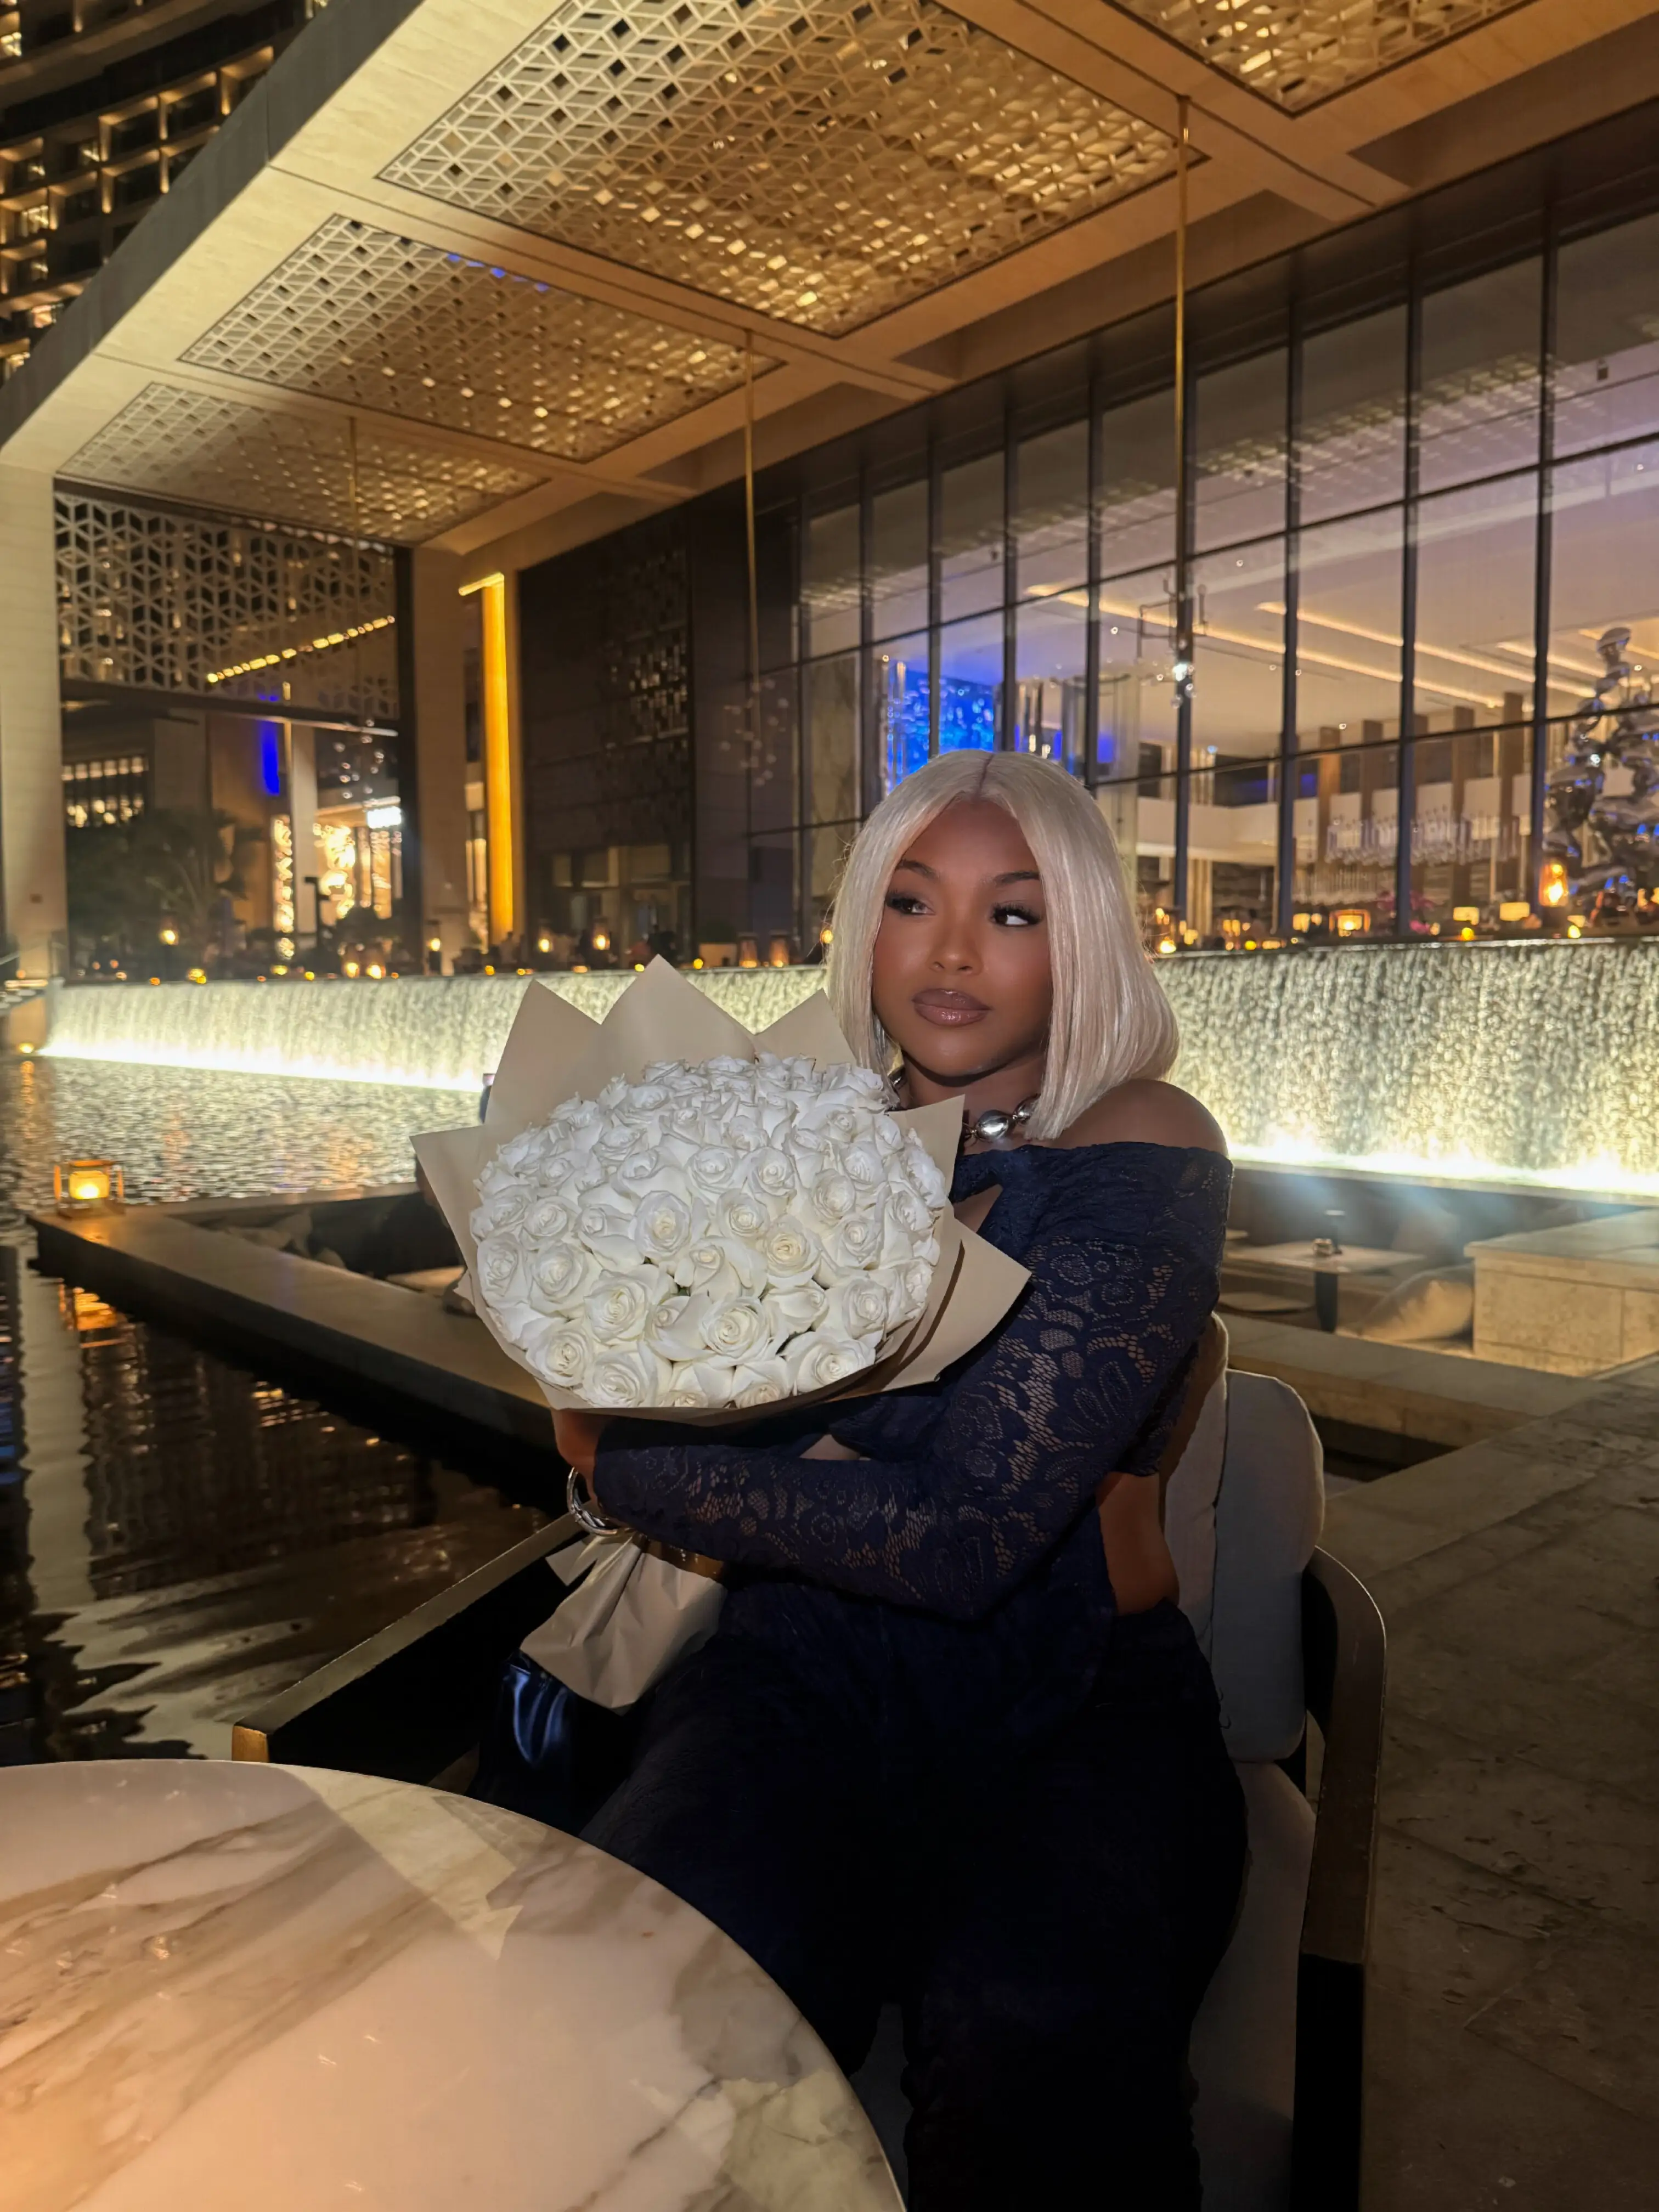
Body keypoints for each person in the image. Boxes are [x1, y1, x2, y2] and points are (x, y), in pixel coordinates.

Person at [550, 752, 1244, 2208]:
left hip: (1073, 1712)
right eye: (913, 901)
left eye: (1014, 912)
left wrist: (632, 1472)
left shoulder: (1149, 1147)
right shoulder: (808, 1142)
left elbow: (970, 1532)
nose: (949, 948)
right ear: (865, 927)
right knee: (641, 1978)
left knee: (1028, 2040)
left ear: (1086, 943)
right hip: (802, 1672)